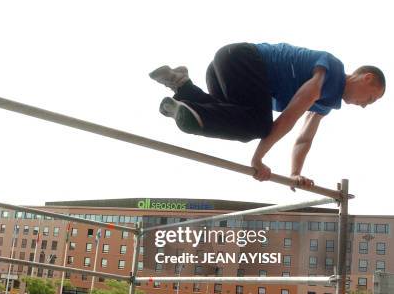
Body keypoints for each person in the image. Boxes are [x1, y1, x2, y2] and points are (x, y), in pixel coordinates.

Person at [150, 43, 385, 187]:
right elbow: (289, 117)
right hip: (243, 59)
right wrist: (258, 159)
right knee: (258, 125)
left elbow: (305, 138)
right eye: (370, 99)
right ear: (367, 78)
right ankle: (193, 114)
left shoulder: (325, 103)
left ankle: (183, 87)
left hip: (227, 66)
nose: (364, 106)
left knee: (237, 121)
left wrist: (295, 173)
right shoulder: (333, 73)